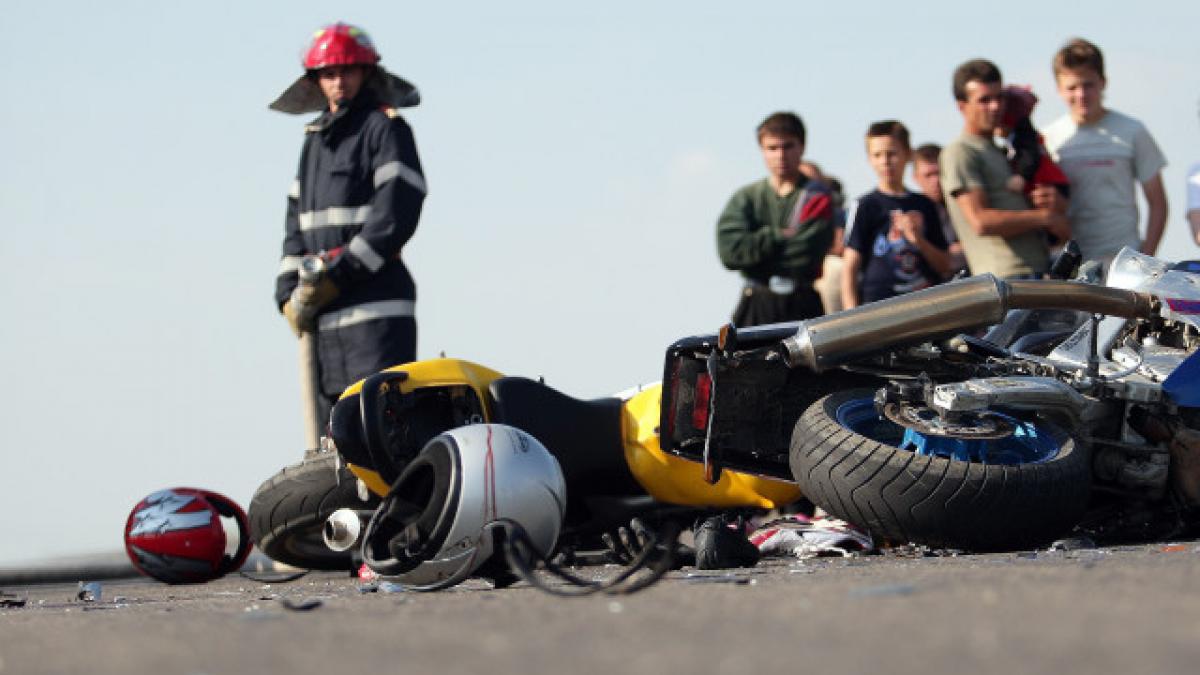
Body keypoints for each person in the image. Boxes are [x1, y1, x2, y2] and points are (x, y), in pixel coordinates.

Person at [271, 23, 426, 425]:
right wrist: (289, 294)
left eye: (347, 71)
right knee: (332, 452)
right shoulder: (314, 142)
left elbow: (395, 215)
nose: (338, 81)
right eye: (329, 74)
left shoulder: (385, 129)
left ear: (366, 73)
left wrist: (337, 276)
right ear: (316, 81)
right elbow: (295, 228)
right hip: (324, 327)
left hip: (376, 320)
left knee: (380, 437)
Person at [1042, 38, 1168, 267]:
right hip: (1071, 263)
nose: (1081, 94)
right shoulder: (1049, 138)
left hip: (1123, 260)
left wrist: (1147, 259)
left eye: (1088, 85)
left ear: (1103, 82)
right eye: (1072, 87)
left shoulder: (1132, 131)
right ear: (1059, 89)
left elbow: (1157, 202)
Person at [941, 59, 1069, 279]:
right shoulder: (960, 152)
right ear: (962, 106)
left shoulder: (1002, 151)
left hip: (1037, 272)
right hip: (1005, 280)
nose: (995, 106)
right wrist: (1043, 217)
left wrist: (1051, 204)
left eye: (999, 97)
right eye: (984, 100)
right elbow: (980, 221)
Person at [717, 112, 835, 326]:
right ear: (762, 150)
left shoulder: (817, 197)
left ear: (802, 147)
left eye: (788, 146)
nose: (780, 155)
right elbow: (730, 252)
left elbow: (806, 254)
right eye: (772, 148)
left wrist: (756, 254)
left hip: (802, 302)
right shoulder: (746, 198)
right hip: (756, 301)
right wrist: (777, 235)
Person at [841, 121, 950, 308]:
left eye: (891, 154)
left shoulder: (925, 204)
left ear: (908, 154)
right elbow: (850, 266)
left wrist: (917, 240)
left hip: (925, 304)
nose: (885, 161)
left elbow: (944, 265)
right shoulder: (865, 205)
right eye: (877, 155)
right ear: (869, 159)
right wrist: (851, 316)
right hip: (878, 305)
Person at [911, 143, 968, 277]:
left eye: (939, 173)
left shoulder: (964, 203)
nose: (936, 180)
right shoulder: (913, 214)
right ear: (916, 178)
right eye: (928, 175)